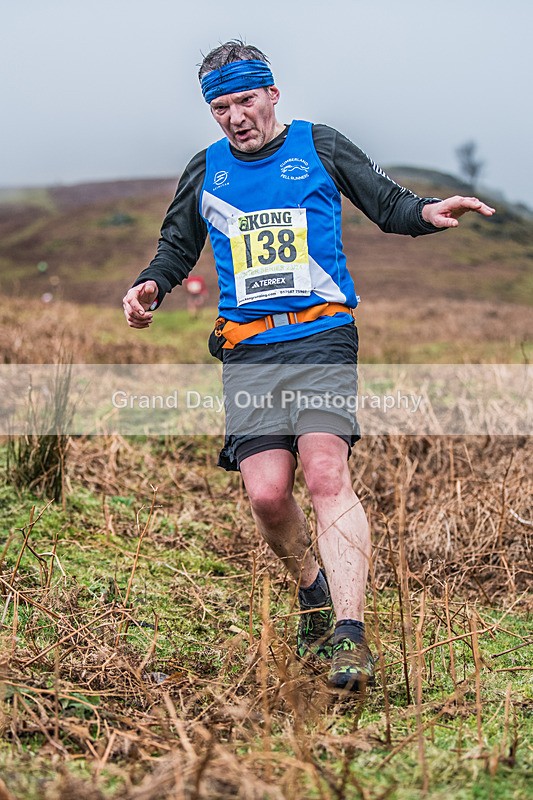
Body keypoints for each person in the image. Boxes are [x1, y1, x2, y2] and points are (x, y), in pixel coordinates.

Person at [123, 40, 495, 692]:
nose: (235, 115)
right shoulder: (206, 169)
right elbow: (175, 246)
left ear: (271, 94)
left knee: (325, 473)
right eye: (220, 105)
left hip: (321, 335)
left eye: (244, 99)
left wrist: (428, 213)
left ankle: (349, 636)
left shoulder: (318, 146)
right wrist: (151, 285)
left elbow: (387, 203)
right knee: (267, 495)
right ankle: (313, 593)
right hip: (247, 350)